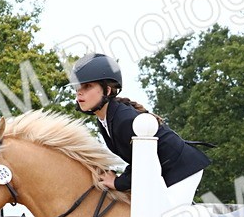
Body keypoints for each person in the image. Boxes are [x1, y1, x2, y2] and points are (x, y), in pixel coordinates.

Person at [71, 52, 211, 204]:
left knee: (170, 216)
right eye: (78, 87)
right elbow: (137, 159)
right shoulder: (104, 119)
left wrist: (118, 182)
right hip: (161, 171)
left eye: (87, 86)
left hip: (182, 168)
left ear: (108, 90)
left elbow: (144, 164)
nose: (79, 92)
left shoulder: (124, 119)